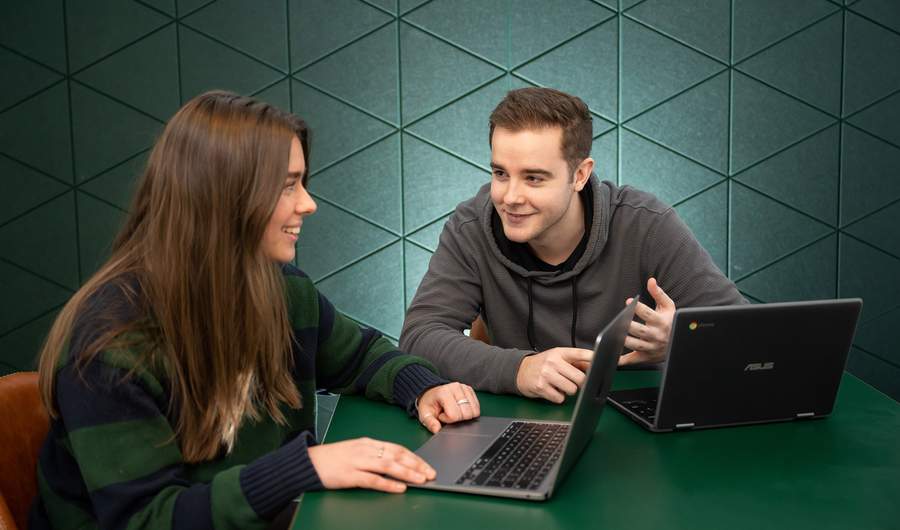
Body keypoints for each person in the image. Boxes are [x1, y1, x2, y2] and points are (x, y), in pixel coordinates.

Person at [31, 91, 481, 530]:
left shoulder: (282, 291)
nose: (308, 203)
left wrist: (421, 387)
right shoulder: (111, 345)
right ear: (221, 198)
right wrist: (303, 469)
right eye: (287, 186)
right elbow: (148, 518)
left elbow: (359, 356)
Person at [400, 87, 744, 404]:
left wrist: (683, 340)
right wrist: (519, 369)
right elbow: (419, 336)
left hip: (635, 433)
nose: (511, 197)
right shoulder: (471, 227)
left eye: (534, 178)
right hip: (522, 422)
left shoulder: (646, 224)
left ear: (579, 175)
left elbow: (748, 336)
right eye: (501, 174)